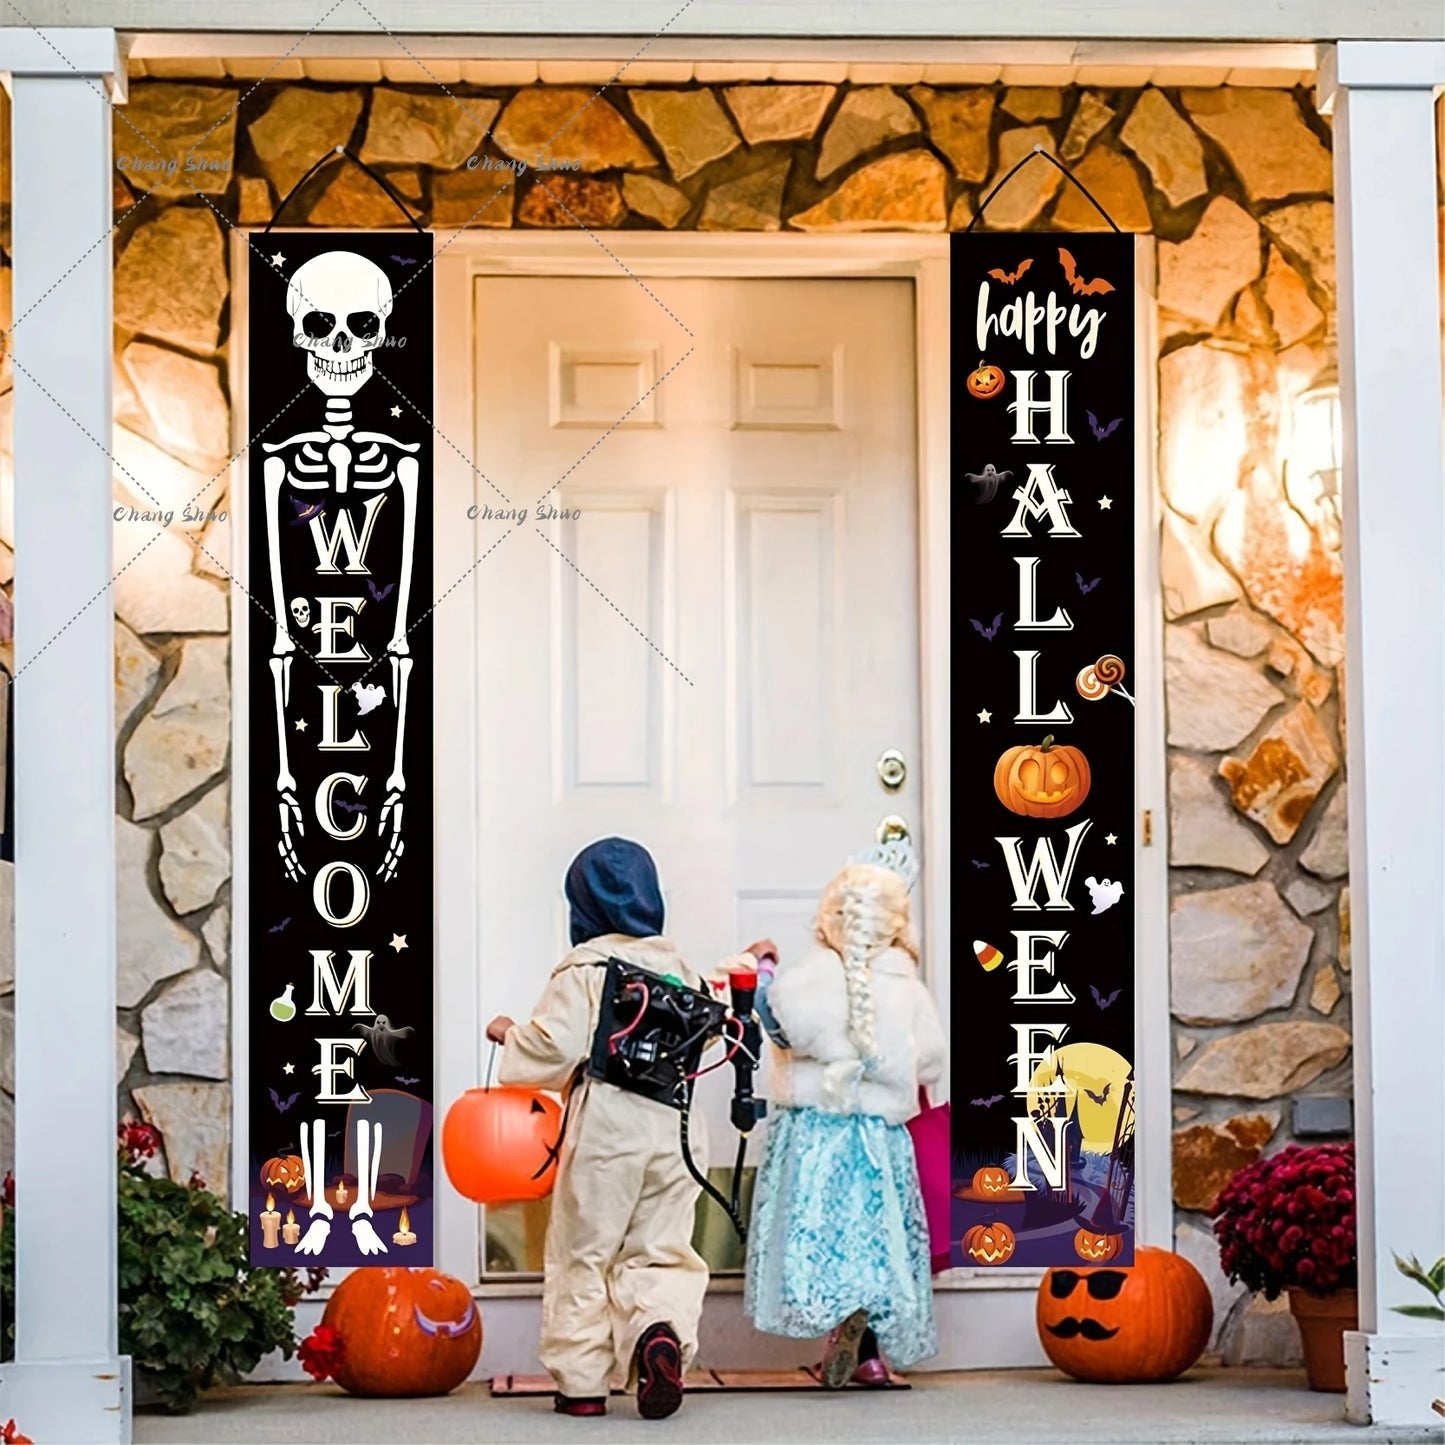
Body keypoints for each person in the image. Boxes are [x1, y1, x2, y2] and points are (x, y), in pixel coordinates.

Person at [485, 836, 767, 1421]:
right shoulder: (679, 966)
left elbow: (557, 1045)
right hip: (676, 1129)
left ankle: (583, 1385)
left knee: (584, 1251)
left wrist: (510, 1034)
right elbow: (711, 1025)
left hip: (608, 1129)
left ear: (580, 909)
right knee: (660, 1248)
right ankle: (658, 1333)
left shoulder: (584, 969)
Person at [744, 860, 946, 1387]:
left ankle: (837, 1327)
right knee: (875, 1243)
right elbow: (930, 1062)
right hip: (879, 1137)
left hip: (816, 1133)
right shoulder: (908, 990)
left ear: (827, 921)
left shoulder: (807, 981)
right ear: (896, 927)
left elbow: (776, 1022)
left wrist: (763, 969)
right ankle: (870, 1355)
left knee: (827, 1237)